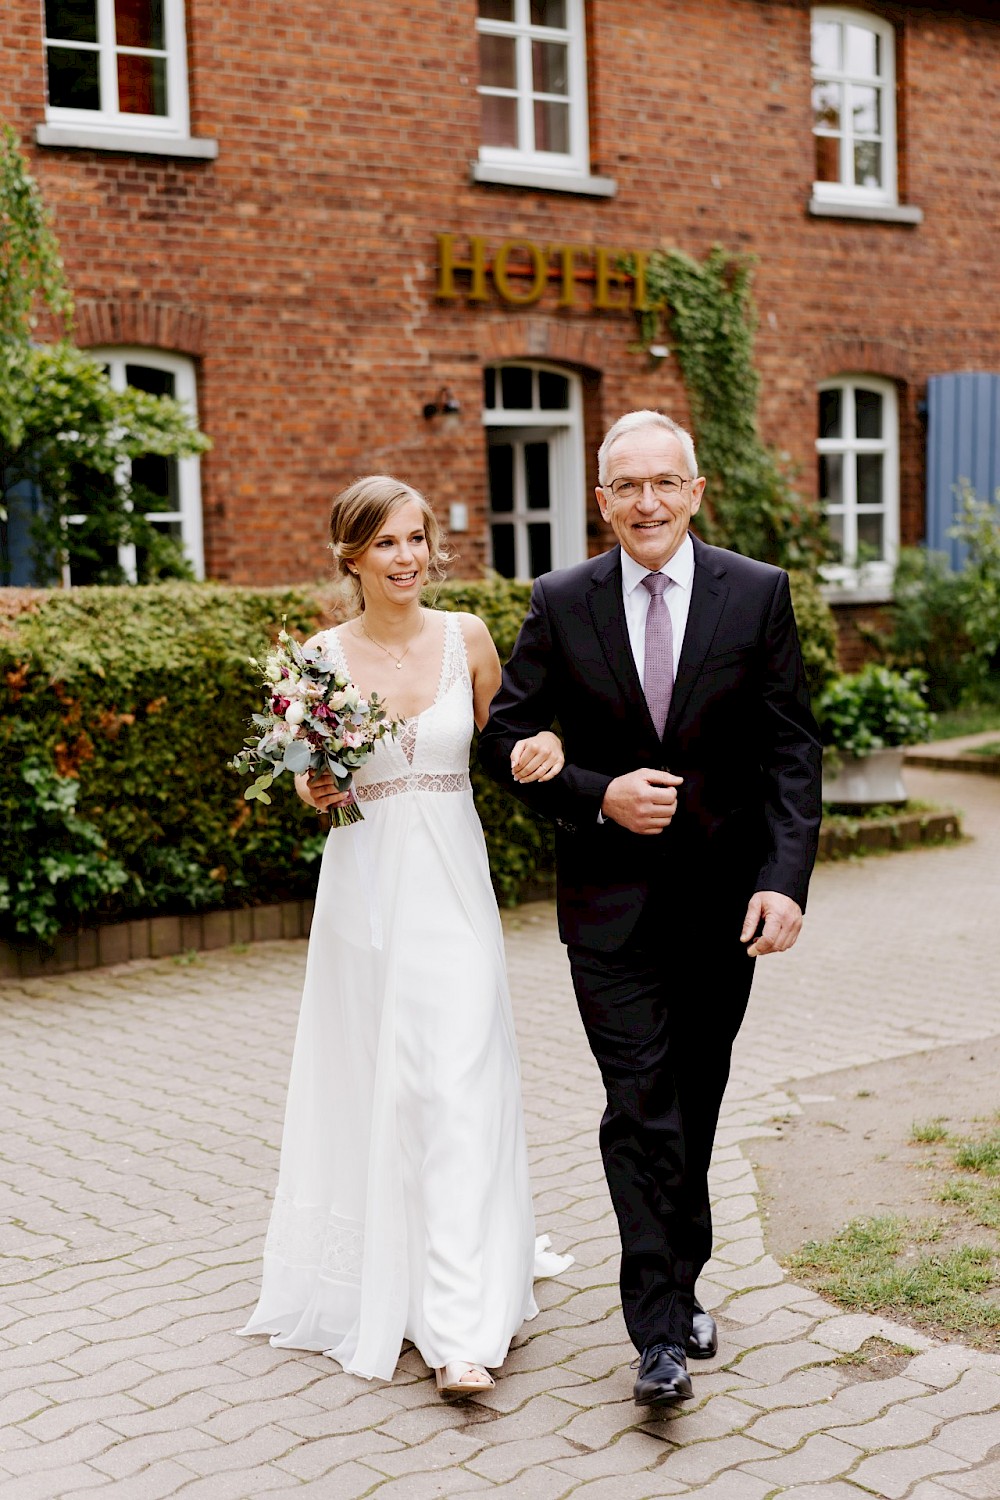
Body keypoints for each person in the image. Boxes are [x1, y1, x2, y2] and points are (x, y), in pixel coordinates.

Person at [479, 410, 822, 1408]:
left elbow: (791, 749)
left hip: (725, 909)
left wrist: (782, 879)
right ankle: (658, 1334)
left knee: (695, 1102)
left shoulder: (756, 594)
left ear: (695, 490)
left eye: (664, 483)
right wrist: (589, 789)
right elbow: (506, 740)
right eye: (626, 486)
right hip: (608, 912)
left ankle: (684, 1278)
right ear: (600, 502)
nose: (646, 502)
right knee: (639, 1108)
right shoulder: (561, 599)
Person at [239, 474, 571, 1395]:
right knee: (389, 1087)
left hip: (455, 887)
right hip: (367, 892)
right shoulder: (318, 658)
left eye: (417, 539)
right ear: (351, 555)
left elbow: (512, 740)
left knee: (458, 1078)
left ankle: (463, 1326)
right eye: (386, 543)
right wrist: (313, 789)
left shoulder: (467, 636)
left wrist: (547, 749)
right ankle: (397, 1278)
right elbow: (317, 787)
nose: (408, 558)